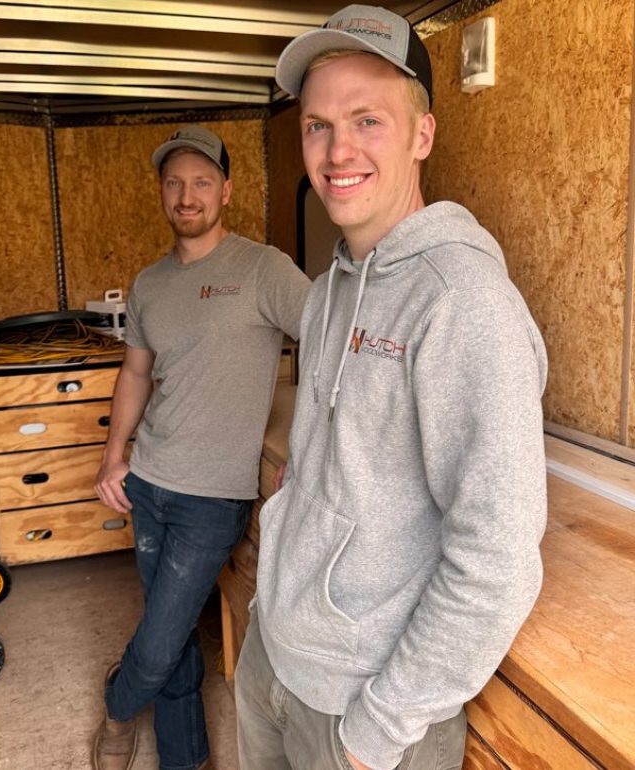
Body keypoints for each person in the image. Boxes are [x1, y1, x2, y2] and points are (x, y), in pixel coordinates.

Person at [235, 6, 548, 770]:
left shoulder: (463, 300)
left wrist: (375, 734)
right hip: (275, 658)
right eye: (316, 125)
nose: (337, 150)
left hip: (362, 711)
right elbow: (323, 466)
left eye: (368, 119)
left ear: (423, 135)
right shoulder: (327, 289)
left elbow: (498, 557)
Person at [92, 124, 311, 770]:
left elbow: (333, 348)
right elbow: (135, 373)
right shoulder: (151, 283)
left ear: (227, 190)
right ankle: (185, 760)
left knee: (158, 642)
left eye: (202, 183)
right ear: (163, 192)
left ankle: (116, 705)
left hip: (213, 496)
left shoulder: (263, 268)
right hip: (150, 481)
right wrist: (114, 456)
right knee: (178, 631)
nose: (187, 196)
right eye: (175, 184)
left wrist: (315, 446)